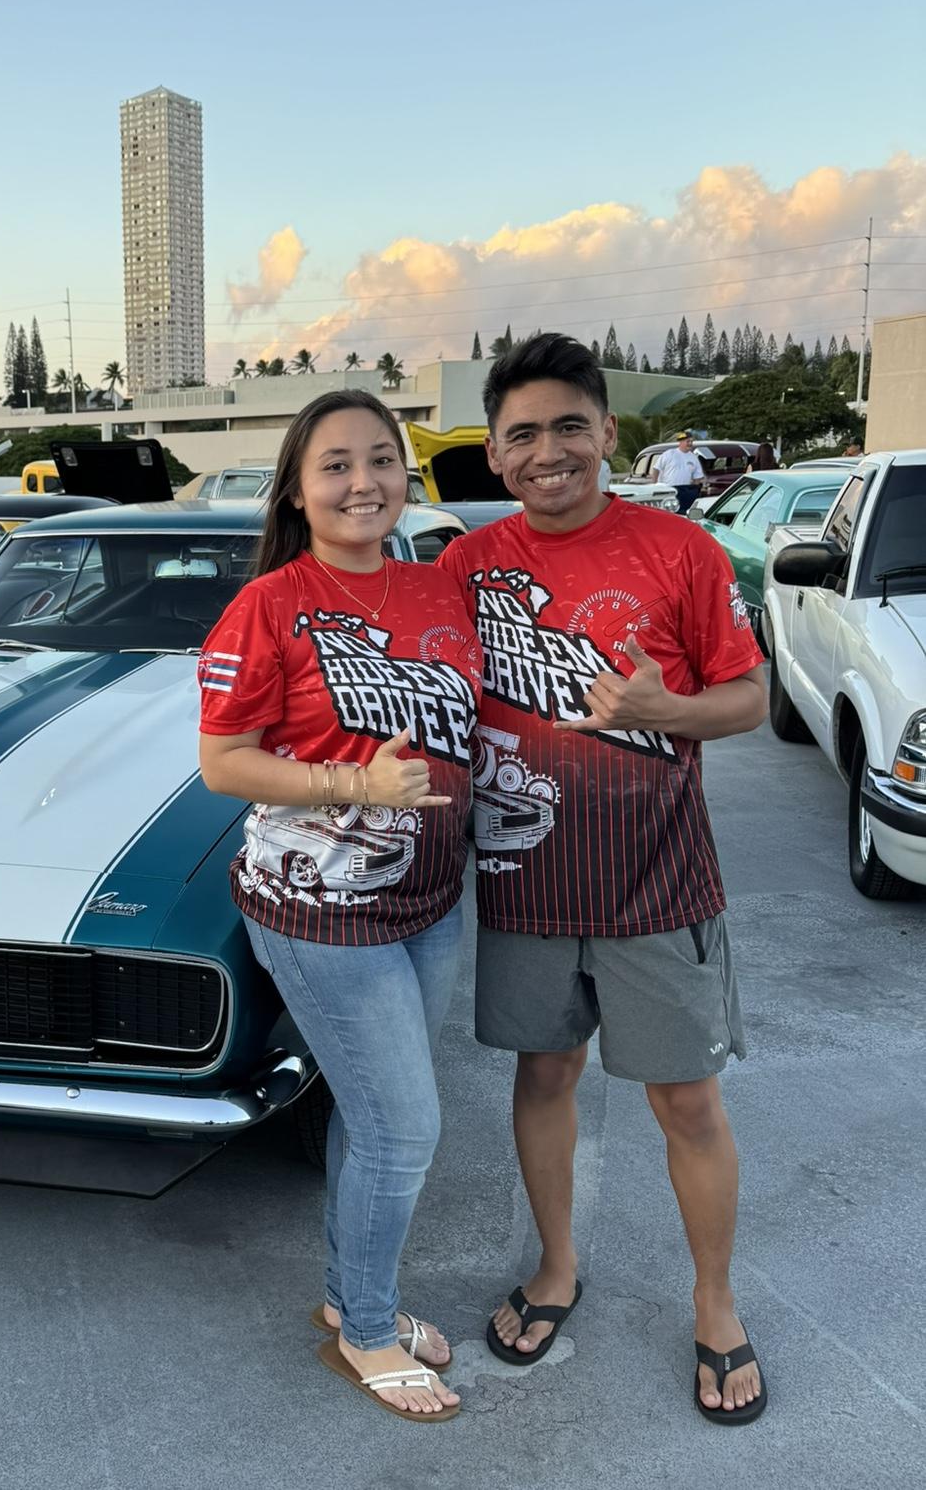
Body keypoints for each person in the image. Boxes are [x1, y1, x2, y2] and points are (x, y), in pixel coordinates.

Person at [435, 335, 769, 1424]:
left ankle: (715, 1306)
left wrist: (663, 711)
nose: (549, 452)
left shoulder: (681, 550)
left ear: (608, 432)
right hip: (526, 884)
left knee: (687, 1102)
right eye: (523, 433)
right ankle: (556, 1268)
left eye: (569, 425)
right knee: (544, 1081)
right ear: (493, 452)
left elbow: (749, 700)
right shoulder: (466, 571)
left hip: (659, 883)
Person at [199, 389, 483, 1423]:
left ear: (407, 474)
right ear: (298, 488)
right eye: (335, 464)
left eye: (381, 458)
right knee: (405, 1128)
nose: (362, 481)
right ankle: (365, 1329)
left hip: (433, 897)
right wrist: (352, 788)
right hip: (316, 909)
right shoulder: (268, 605)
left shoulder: (437, 590)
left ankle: (347, 1293)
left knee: (371, 1118)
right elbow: (223, 764)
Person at [653, 430, 706, 513]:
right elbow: (656, 469)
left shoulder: (693, 458)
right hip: (668, 490)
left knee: (683, 513)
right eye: (687, 441)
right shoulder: (669, 454)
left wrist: (693, 491)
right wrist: (655, 485)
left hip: (684, 491)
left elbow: (697, 477)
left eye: (691, 441)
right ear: (680, 442)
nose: (690, 443)